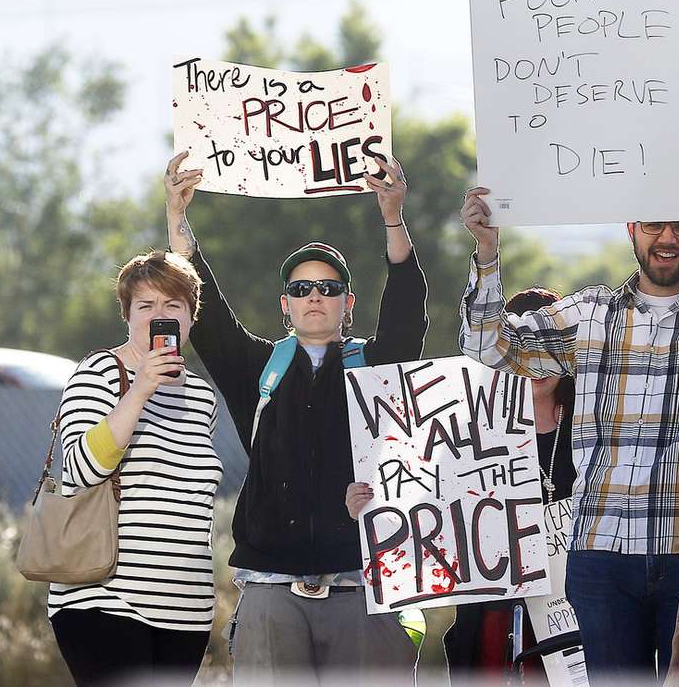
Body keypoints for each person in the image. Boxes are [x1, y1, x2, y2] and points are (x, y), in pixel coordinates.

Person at [459, 168, 679, 681]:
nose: (667, 239)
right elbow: (488, 348)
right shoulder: (588, 313)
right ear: (631, 229)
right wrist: (486, 255)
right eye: (654, 226)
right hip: (602, 554)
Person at [163, 150, 427, 684]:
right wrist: (177, 220)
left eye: (328, 288)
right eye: (302, 288)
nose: (315, 297)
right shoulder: (256, 370)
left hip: (364, 589)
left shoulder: (375, 367)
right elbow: (208, 313)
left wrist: (392, 216)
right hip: (269, 593)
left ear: (347, 302)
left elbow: (406, 311)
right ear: (285, 303)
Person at [346, 288, 577, 684]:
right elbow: (416, 504)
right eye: (524, 348)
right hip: (492, 612)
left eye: (548, 348)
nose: (537, 364)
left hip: (573, 607)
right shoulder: (466, 432)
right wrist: (366, 505)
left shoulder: (596, 426)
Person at [48, 251, 220, 686]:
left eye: (173, 305)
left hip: (186, 610)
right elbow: (80, 470)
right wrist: (140, 387)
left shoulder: (202, 397)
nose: (159, 316)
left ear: (190, 318)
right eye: (145, 306)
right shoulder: (99, 372)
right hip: (105, 601)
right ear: (127, 315)